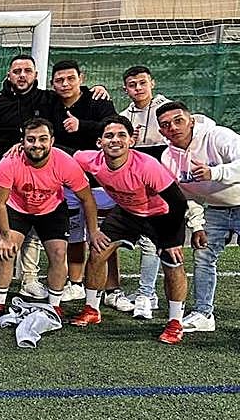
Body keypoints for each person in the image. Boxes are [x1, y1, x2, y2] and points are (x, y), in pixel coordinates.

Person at [68, 117, 190, 344]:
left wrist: (172, 239)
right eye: (109, 136)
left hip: (162, 215)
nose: (115, 140)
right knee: (97, 250)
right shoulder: (89, 160)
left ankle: (175, 323)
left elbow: (178, 203)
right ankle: (92, 309)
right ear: (99, 142)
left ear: (131, 141)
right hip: (126, 212)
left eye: (121, 135)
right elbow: (62, 154)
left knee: (173, 262)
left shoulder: (146, 166)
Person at [0, 118, 99, 320]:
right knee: (6, 251)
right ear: (22, 142)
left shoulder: (65, 163)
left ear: (52, 141)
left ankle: (54, 305)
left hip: (52, 209)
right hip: (17, 208)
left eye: (42, 139)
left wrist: (93, 232)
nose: (37, 144)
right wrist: (4, 236)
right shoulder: (9, 162)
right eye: (30, 139)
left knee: (58, 253)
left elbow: (87, 199)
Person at [158, 101, 240, 333]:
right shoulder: (168, 157)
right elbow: (185, 193)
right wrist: (196, 225)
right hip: (216, 209)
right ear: (162, 131)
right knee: (203, 257)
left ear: (191, 120)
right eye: (165, 125)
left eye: (178, 120)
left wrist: (214, 172)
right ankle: (204, 314)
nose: (173, 127)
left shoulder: (218, 136)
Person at [49, 59, 122, 304]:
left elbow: (113, 127)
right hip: (68, 185)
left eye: (71, 78)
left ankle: (112, 289)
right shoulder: (50, 103)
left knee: (104, 235)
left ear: (81, 77)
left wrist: (82, 126)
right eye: (59, 80)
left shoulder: (97, 100)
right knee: (74, 234)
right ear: (52, 84)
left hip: (101, 183)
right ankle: (76, 282)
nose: (65, 84)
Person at [118, 65, 172, 318]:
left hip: (163, 183)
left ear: (153, 82)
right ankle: (148, 293)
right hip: (135, 185)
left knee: (153, 242)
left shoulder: (167, 110)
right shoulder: (125, 116)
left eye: (142, 83)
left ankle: (146, 294)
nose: (138, 88)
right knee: (146, 241)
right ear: (125, 88)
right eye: (132, 84)